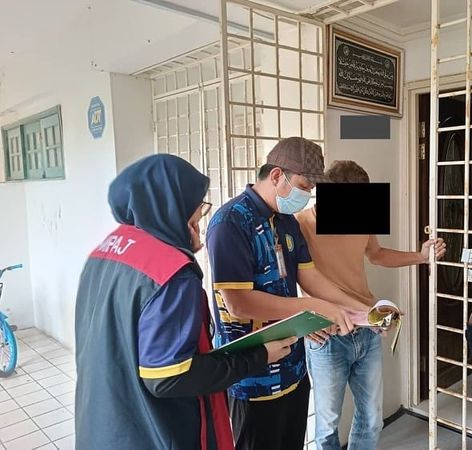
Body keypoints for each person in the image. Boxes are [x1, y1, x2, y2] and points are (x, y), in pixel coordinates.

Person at [75, 154, 296, 450]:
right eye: (197, 207)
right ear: (170, 204)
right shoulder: (172, 273)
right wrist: (258, 356)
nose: (200, 217)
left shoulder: (107, 250)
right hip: (153, 431)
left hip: (103, 422)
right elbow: (169, 376)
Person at [206, 137, 369, 450]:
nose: (307, 195)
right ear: (277, 175)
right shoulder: (230, 222)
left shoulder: (286, 222)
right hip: (252, 377)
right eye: (304, 186)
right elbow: (238, 303)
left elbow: (310, 276)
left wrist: (364, 311)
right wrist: (312, 307)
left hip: (293, 368)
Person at [295, 160, 447, 450]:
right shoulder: (300, 224)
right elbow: (295, 278)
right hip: (327, 334)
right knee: (327, 426)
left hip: (367, 330)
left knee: (372, 419)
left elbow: (376, 254)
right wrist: (304, 318)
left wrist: (420, 256)